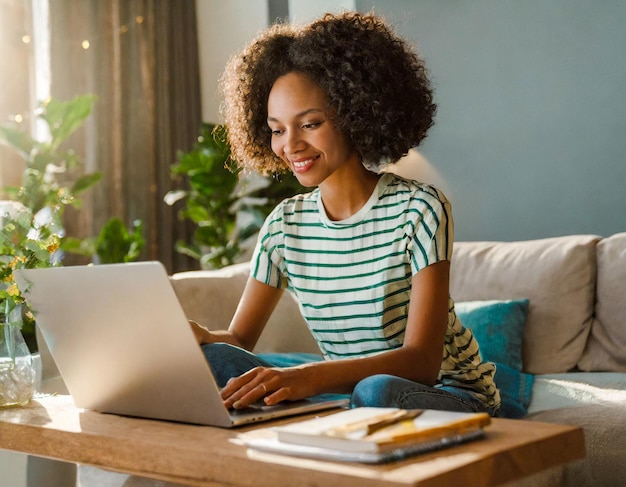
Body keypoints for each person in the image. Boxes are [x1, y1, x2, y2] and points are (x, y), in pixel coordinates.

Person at [190, 11, 501, 416]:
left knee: (374, 393)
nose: (291, 145)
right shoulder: (284, 227)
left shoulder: (420, 210)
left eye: (311, 123)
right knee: (215, 360)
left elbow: (421, 364)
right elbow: (238, 338)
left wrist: (308, 377)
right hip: (344, 394)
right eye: (277, 129)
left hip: (448, 393)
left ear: (356, 112)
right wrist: (198, 338)